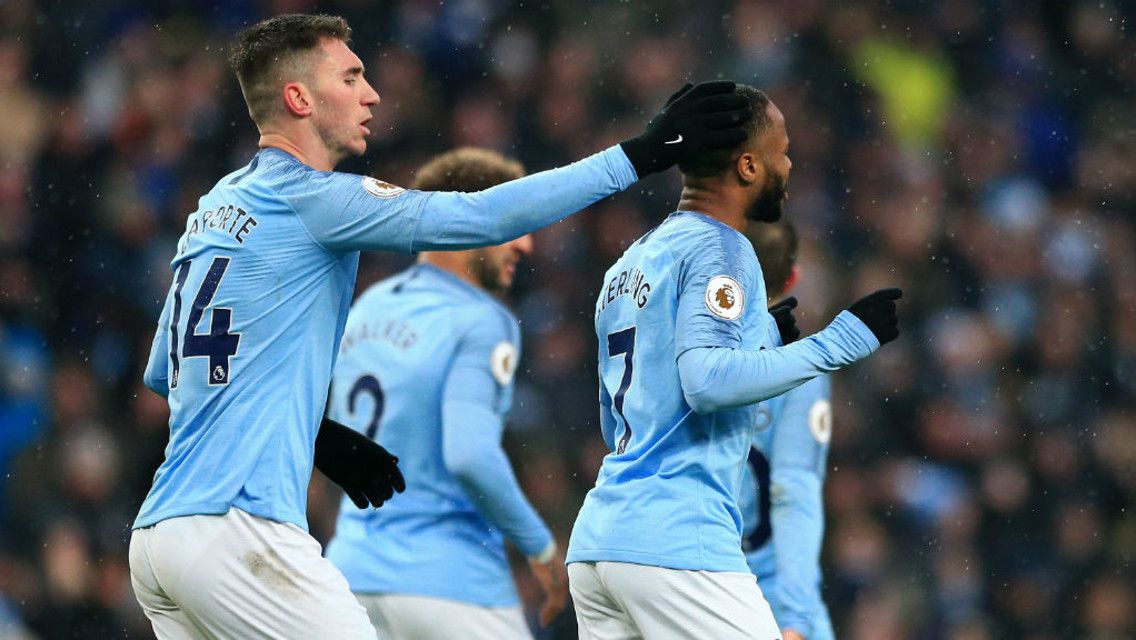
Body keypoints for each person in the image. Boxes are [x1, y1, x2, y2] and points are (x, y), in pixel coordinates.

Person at [127, 12, 754, 639]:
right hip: (239, 529)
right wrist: (641, 156)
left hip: (161, 535)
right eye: (351, 77)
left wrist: (316, 436)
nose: (371, 93)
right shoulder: (313, 198)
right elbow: (477, 218)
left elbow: (167, 372)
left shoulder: (216, 206)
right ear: (299, 99)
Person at [565, 83, 903, 640]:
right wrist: (842, 339)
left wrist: (764, 337)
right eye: (782, 150)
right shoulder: (723, 247)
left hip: (601, 544)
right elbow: (705, 381)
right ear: (748, 165)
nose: (789, 165)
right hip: (678, 543)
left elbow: (618, 415)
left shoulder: (631, 262)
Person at [323, 147, 567, 639]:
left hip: (348, 577)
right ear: (464, 223)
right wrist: (541, 549)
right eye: (511, 223)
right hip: (451, 585)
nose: (525, 245)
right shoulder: (482, 319)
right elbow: (471, 455)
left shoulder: (366, 309)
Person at [739, 219, 837, 640]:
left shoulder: (679, 354)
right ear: (792, 278)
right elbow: (793, 490)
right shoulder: (802, 370)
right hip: (768, 595)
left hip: (685, 585)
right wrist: (796, 619)